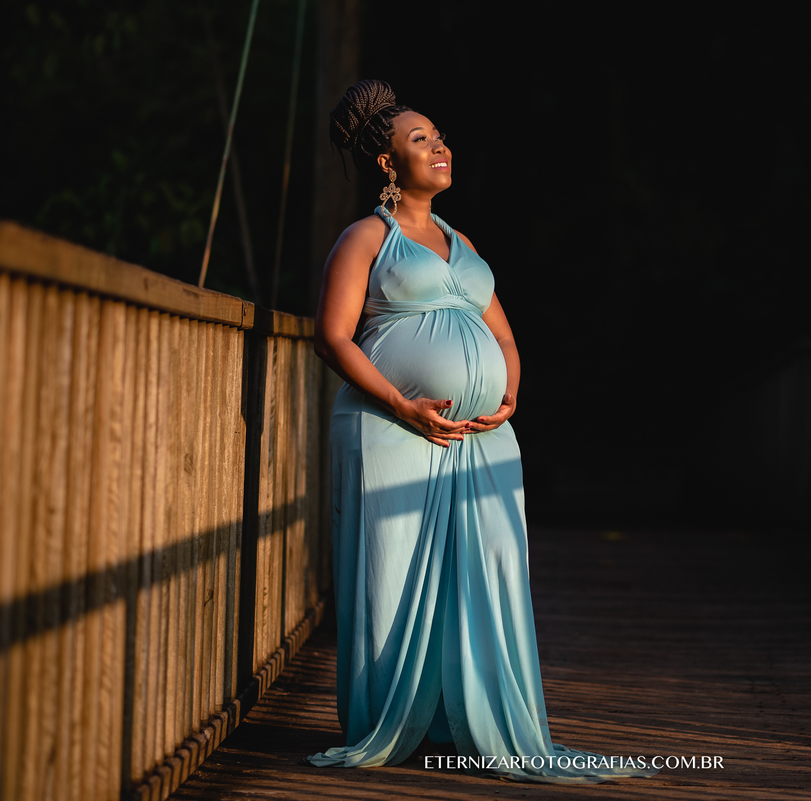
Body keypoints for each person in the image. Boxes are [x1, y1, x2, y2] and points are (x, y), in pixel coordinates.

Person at [305, 79, 659, 785]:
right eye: (419, 139)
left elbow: (503, 334)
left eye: (438, 136)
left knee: (493, 565)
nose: (439, 147)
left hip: (482, 438)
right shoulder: (367, 238)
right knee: (395, 575)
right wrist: (404, 406)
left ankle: (479, 716)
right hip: (392, 430)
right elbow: (333, 337)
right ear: (386, 164)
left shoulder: (462, 242)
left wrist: (510, 393)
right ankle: (390, 720)